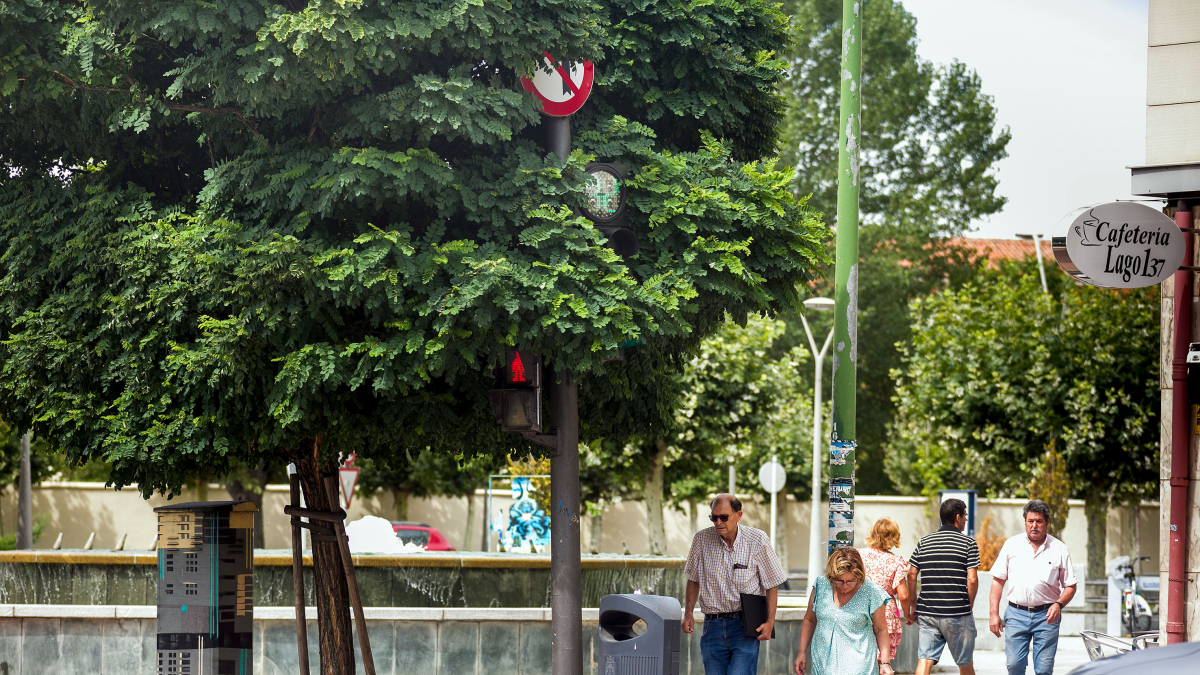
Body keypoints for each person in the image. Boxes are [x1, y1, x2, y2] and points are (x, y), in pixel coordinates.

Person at [683, 493, 788, 675]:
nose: (718, 522)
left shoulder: (757, 540)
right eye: (713, 517)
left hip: (745, 626)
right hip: (712, 626)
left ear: (738, 515)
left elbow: (772, 583)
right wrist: (688, 614)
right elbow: (693, 580)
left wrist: (770, 622)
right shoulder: (701, 540)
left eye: (723, 517)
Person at [988, 499, 1078, 675]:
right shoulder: (1011, 545)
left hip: (1047, 616)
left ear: (1047, 523)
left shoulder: (1059, 549)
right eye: (1030, 521)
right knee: (1014, 665)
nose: (1034, 525)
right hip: (1016, 614)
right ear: (1025, 522)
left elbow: (1070, 586)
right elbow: (998, 580)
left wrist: (1058, 605)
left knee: (1044, 670)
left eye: (1039, 521)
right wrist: (993, 614)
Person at [906, 498, 980, 675]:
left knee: (924, 659)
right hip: (957, 613)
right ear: (957, 517)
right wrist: (968, 605)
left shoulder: (924, 542)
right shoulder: (968, 544)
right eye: (965, 515)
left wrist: (914, 604)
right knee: (965, 662)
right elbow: (972, 579)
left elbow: (911, 574)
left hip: (928, 612)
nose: (966, 519)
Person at [794, 548, 893, 675]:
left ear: (859, 576)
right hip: (823, 665)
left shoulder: (871, 592)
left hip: (859, 668)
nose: (844, 586)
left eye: (850, 581)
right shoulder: (821, 585)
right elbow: (810, 619)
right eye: (839, 581)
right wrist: (802, 652)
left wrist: (885, 663)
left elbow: (881, 629)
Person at [859, 518, 911, 661]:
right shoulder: (897, 561)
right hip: (885, 613)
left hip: (860, 609)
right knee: (882, 660)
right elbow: (903, 595)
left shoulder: (858, 556)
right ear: (894, 537)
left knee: (861, 658)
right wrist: (908, 614)